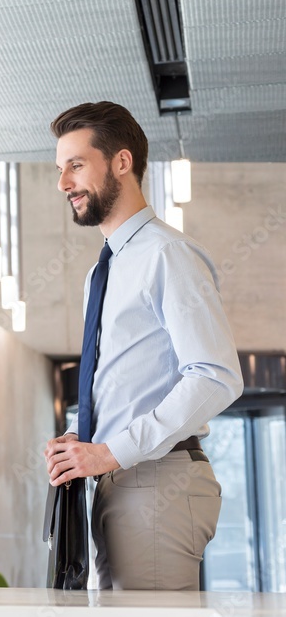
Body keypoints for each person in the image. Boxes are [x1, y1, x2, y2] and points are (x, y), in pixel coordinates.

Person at [44, 102, 243, 590]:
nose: (63, 183)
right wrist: (81, 436)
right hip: (119, 480)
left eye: (76, 165)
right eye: (60, 169)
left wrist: (112, 451)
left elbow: (215, 375)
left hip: (157, 478)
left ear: (121, 162)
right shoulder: (104, 270)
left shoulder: (167, 254)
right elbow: (123, 382)